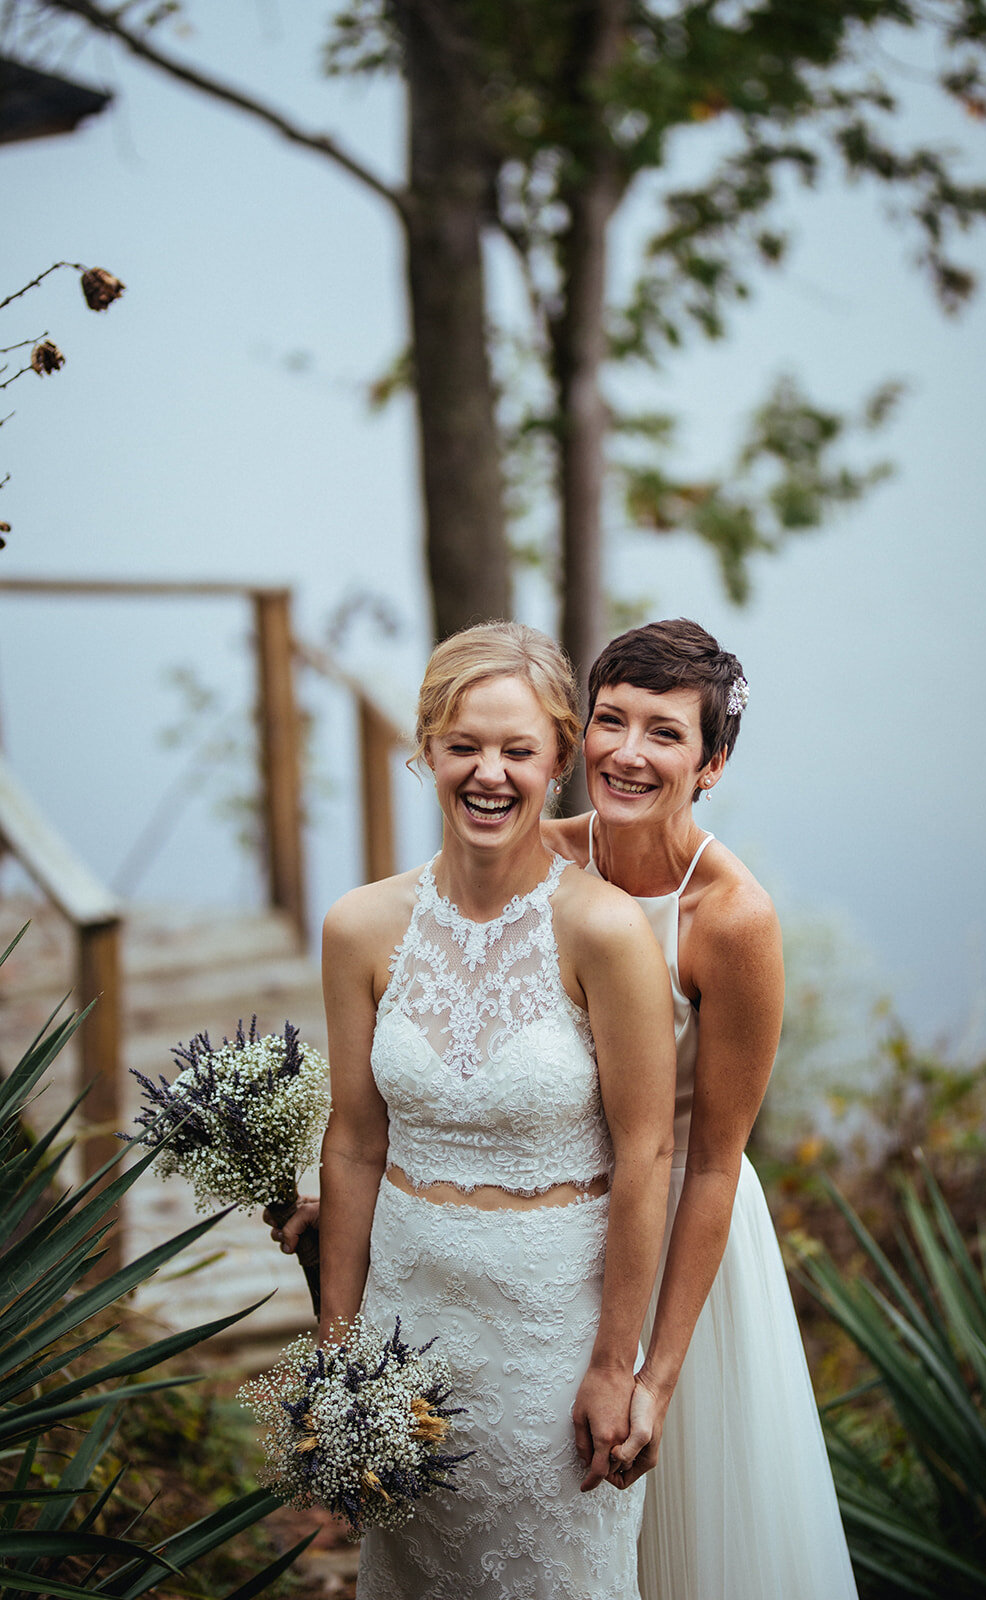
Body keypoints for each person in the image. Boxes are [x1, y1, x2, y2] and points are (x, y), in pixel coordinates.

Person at [314, 621, 676, 1600]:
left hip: (549, 1346)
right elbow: (351, 1145)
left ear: (558, 759)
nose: (488, 773)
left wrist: (616, 1365)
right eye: (463, 744)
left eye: (517, 750)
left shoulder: (602, 930)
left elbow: (647, 1153)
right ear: (423, 747)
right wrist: (338, 1355)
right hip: (406, 1328)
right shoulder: (357, 928)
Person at [543, 617, 858, 1600]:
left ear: (712, 762)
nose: (626, 754)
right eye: (609, 721)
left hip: (685, 1236)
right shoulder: (535, 864)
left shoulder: (730, 916)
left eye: (664, 733)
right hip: (549, 1222)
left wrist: (656, 1371)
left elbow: (717, 1158)